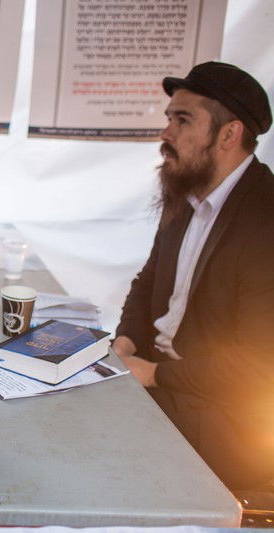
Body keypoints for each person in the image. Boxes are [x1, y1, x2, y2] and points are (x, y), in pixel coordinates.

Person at [114, 62, 274, 490]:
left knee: (93, 441)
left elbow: (260, 365)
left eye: (183, 119)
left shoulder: (265, 220)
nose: (166, 134)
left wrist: (152, 374)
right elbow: (148, 281)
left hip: (226, 416)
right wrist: (124, 342)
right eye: (169, 118)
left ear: (228, 134)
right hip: (162, 378)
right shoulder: (186, 190)